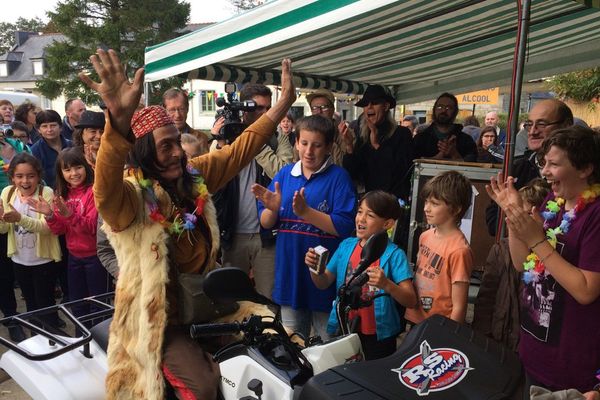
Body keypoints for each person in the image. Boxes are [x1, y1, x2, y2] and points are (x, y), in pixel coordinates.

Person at [80, 48, 296, 399]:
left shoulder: (193, 177)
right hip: (161, 324)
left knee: (278, 345)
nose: (179, 152)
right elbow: (104, 191)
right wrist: (117, 124)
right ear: (144, 154)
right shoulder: (131, 198)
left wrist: (281, 106)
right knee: (204, 386)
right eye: (166, 147)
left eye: (177, 143)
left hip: (209, 306)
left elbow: (240, 149)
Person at [486, 125, 600, 396]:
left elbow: (586, 290)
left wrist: (537, 240)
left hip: (573, 368)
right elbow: (522, 263)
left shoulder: (595, 215)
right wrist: (514, 216)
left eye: (554, 164)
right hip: (534, 353)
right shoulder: (555, 202)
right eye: (544, 162)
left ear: (585, 169)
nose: (544, 171)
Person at [252, 115, 356, 340]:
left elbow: (344, 227)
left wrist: (306, 212)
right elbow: (266, 222)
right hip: (290, 276)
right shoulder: (284, 175)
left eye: (317, 145)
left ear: (329, 147)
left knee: (327, 344)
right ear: (296, 143)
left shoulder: (339, 178)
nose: (309, 151)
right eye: (304, 143)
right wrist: (272, 209)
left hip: (324, 280)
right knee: (292, 342)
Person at [305, 190, 416, 360]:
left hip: (379, 337)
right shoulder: (346, 246)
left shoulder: (395, 254)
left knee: (374, 380)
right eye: (359, 211)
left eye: (370, 215)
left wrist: (387, 284)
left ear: (387, 224)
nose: (361, 219)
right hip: (344, 327)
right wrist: (315, 269)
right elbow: (323, 282)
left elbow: (411, 299)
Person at [212, 83, 293, 299]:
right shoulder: (227, 133)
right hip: (233, 233)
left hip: (266, 236)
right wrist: (220, 142)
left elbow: (284, 172)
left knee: (268, 299)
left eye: (268, 108)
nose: (265, 114)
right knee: (233, 300)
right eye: (257, 108)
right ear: (243, 108)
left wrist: (255, 142)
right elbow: (211, 176)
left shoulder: (276, 136)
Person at [28, 148, 109, 317]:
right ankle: (81, 340)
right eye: (67, 169)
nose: (73, 173)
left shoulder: (95, 192)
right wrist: (49, 215)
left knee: (99, 305)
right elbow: (59, 230)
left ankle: (99, 342)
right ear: (61, 173)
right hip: (74, 257)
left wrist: (70, 215)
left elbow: (92, 227)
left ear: (86, 167)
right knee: (77, 304)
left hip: (96, 257)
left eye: (77, 167)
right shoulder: (61, 195)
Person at [472, 178, 550, 352]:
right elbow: (486, 296)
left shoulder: (551, 252)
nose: (524, 221)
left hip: (531, 342)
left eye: (531, 214)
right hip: (499, 338)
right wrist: (480, 336)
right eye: (518, 214)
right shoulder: (501, 250)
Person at [485, 99, 574, 236]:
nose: (532, 131)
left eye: (541, 124)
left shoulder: (580, 174)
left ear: (567, 125)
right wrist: (516, 210)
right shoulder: (517, 169)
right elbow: (494, 226)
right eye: (529, 125)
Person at [405, 170, 474, 324]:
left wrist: (449, 337)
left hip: (439, 326)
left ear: (456, 209)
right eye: (426, 201)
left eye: (435, 204)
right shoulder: (425, 236)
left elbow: (459, 307)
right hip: (415, 318)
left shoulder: (459, 250)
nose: (426, 208)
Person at [0, 153, 61, 327]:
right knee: (31, 305)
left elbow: (47, 228)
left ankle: (52, 338)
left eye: (30, 176)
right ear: (12, 177)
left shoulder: (45, 193)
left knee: (46, 303)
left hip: (43, 260)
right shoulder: (7, 192)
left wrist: (19, 218)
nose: (25, 181)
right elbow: (5, 229)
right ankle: (36, 337)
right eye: (19, 176)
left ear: (38, 176)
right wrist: (1, 219)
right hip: (19, 260)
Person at [340, 84, 414, 200]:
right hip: (371, 202)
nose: (369, 107)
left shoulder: (402, 134)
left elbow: (400, 173)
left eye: (374, 103)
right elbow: (353, 174)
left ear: (386, 106)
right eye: (365, 104)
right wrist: (349, 147)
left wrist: (377, 146)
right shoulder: (363, 136)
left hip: (393, 203)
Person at [413, 93, 477, 162]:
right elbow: (413, 164)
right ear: (434, 110)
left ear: (455, 112)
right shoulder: (420, 139)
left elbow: (472, 165)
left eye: (448, 108)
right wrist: (440, 156)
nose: (443, 111)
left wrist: (454, 154)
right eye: (440, 107)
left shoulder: (466, 140)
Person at [306, 88, 347, 165]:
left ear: (332, 109)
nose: (319, 112)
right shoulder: (304, 134)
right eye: (315, 108)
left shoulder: (344, 133)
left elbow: (346, 165)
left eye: (324, 107)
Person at [163, 88, 209, 155]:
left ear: (187, 109)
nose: (177, 115)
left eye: (181, 109)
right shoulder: (158, 139)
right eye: (172, 110)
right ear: (164, 111)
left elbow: (205, 165)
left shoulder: (201, 138)